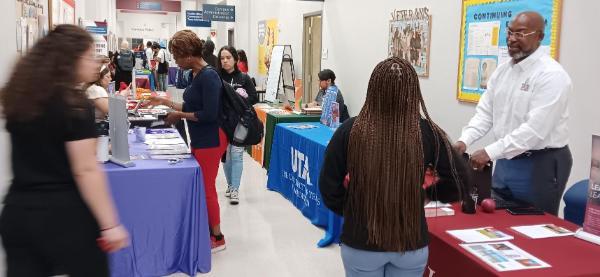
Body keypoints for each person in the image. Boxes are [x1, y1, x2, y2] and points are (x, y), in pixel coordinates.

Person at [319, 57, 470, 277]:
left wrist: (353, 209)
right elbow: (460, 181)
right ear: (413, 92)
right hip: (410, 244)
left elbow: (328, 185)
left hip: (361, 243)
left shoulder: (350, 130)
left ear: (373, 89)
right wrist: (425, 195)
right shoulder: (428, 133)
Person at [0, 24, 129, 277]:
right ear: (71, 60)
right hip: (64, 215)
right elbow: (86, 169)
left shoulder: (22, 97)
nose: (95, 63)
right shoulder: (73, 105)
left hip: (19, 212)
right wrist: (110, 224)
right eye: (89, 56)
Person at [454, 11, 573, 216]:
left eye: (520, 34)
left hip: (540, 162)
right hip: (506, 160)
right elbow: (485, 114)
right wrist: (464, 141)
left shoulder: (552, 76)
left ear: (539, 37)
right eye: (509, 33)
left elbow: (534, 131)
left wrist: (490, 152)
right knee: (497, 219)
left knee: (533, 227)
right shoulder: (502, 72)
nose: (511, 39)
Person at [145, 30, 228, 252]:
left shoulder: (209, 76)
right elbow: (190, 107)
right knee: (203, 185)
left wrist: (179, 116)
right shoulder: (195, 75)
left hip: (212, 138)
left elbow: (209, 114)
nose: (175, 60)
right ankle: (208, 229)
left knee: (207, 187)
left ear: (189, 55)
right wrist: (163, 101)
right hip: (202, 138)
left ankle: (218, 237)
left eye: (177, 55)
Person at [217, 46, 258, 205]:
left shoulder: (244, 78)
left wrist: (242, 97)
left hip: (240, 122)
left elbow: (254, 98)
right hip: (222, 122)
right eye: (222, 58)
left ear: (235, 59)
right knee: (225, 155)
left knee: (237, 154)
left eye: (228, 57)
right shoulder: (216, 76)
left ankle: (235, 189)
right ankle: (230, 184)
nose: (225, 61)